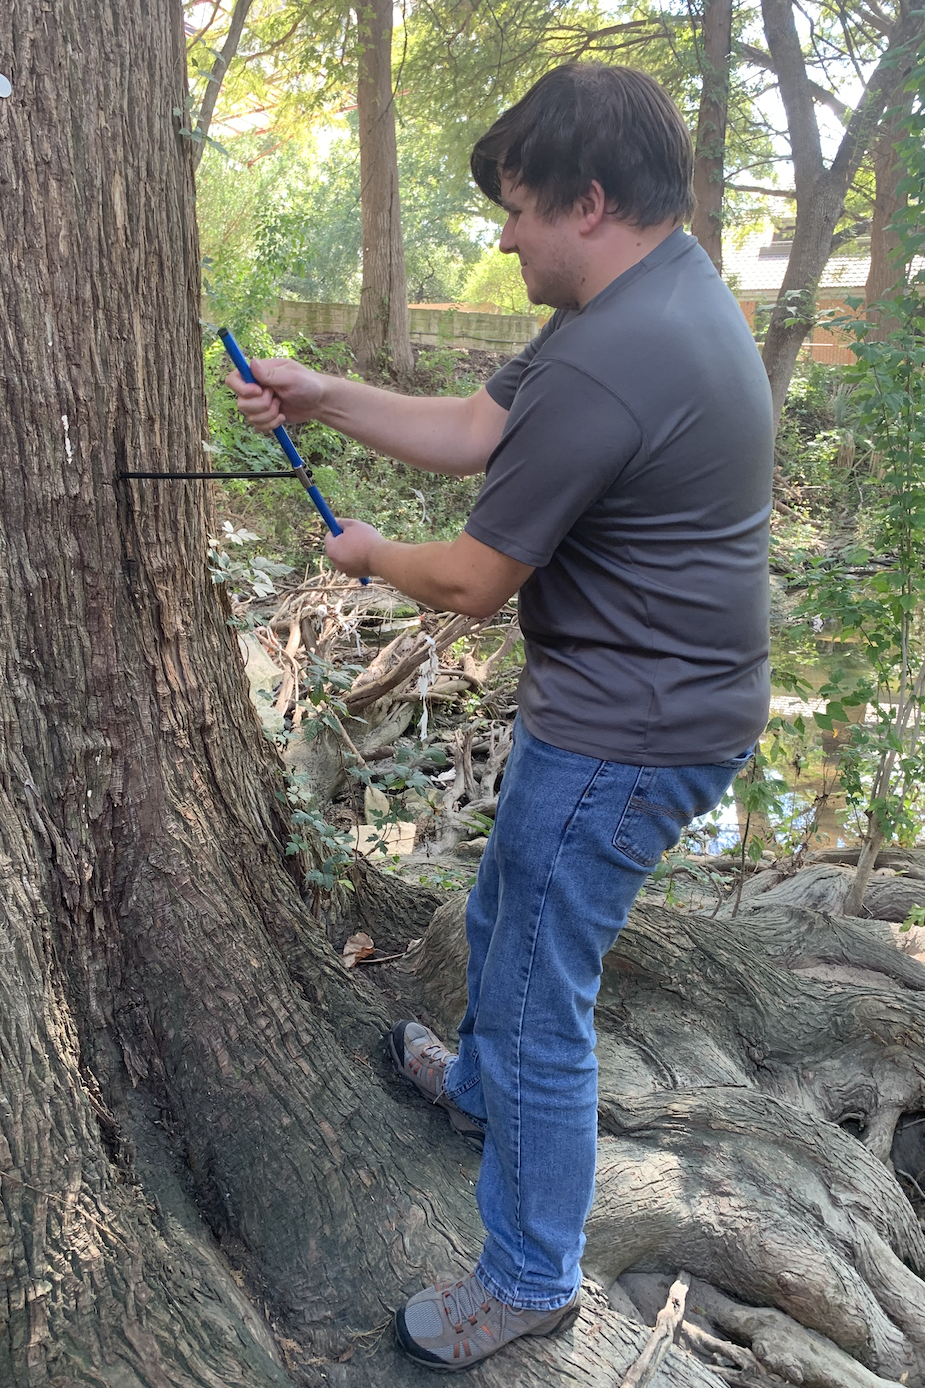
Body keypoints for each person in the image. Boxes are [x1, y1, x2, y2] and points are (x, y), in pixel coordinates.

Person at [225, 62, 772, 1370]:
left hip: (629, 732)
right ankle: (475, 1092)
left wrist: (363, 556)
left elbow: (472, 580)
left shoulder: (619, 356)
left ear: (588, 201)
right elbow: (479, 428)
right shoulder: (646, 293)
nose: (504, 235)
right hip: (635, 704)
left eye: (519, 210)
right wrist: (325, 395)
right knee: (500, 919)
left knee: (535, 1002)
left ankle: (529, 1276)